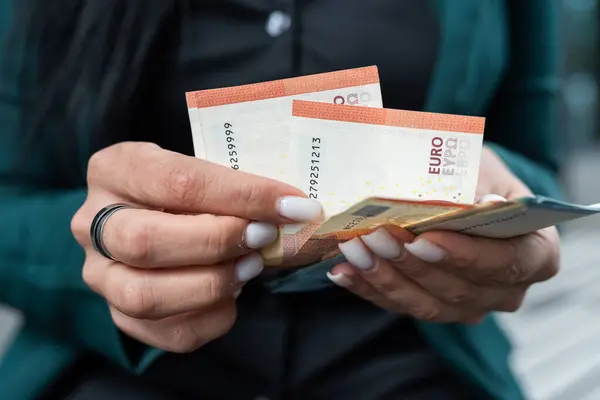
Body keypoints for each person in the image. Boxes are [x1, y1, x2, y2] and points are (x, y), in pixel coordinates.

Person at [0, 1, 562, 399]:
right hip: (121, 370)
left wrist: (496, 197)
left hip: (416, 356)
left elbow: (533, 156)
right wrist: (105, 244)